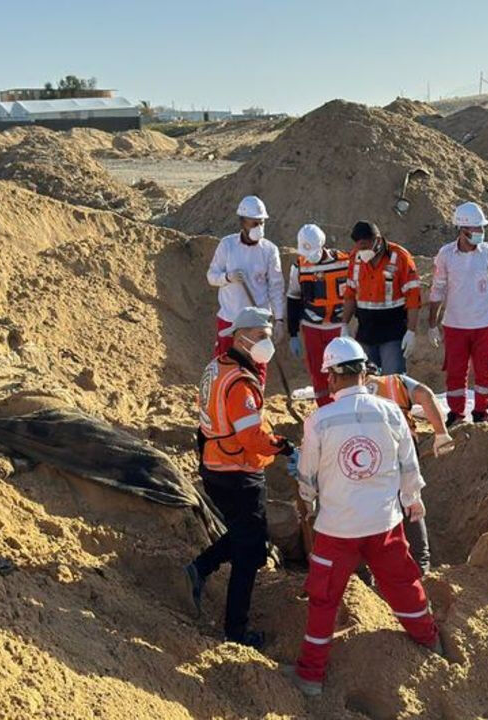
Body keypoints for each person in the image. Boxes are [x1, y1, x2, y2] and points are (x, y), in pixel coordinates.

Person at [283, 337, 442, 697]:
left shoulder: (319, 420)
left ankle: (310, 678)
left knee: (324, 600)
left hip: (337, 528)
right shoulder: (390, 412)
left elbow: (307, 478)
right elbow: (409, 466)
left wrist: (308, 502)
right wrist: (412, 499)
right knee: (404, 585)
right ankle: (430, 641)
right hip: (385, 523)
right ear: (364, 373)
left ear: (332, 377)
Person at [186, 307, 295, 649]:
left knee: (246, 536)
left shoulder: (217, 367)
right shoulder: (240, 383)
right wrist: (283, 446)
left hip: (215, 464)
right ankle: (236, 630)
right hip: (238, 472)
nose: (267, 343)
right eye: (261, 336)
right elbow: (250, 436)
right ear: (241, 337)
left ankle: (200, 568)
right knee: (250, 552)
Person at [427, 202, 488, 426]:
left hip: (486, 324)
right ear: (462, 229)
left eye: (481, 227)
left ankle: (481, 411)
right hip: (455, 325)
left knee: (486, 371)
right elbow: (437, 289)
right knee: (455, 372)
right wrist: (432, 324)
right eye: (476, 228)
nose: (480, 232)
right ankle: (456, 413)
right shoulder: (446, 255)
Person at [362, 368, 454, 574]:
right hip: (403, 446)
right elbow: (425, 394)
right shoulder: (395, 382)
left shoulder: (345, 388)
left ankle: (363, 570)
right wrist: (441, 433)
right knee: (410, 499)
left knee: (365, 505)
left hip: (366, 452)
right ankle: (420, 563)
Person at [206, 195, 285, 357]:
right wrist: (227, 278)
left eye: (261, 223)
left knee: (257, 364)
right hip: (230, 320)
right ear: (243, 222)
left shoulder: (270, 250)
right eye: (254, 223)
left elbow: (276, 287)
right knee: (226, 363)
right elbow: (211, 276)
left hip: (258, 322)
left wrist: (279, 320)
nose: (259, 227)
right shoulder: (227, 245)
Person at [342, 221, 422, 375]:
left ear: (377, 240)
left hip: (392, 331)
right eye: (359, 247)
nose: (362, 251)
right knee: (367, 379)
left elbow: (413, 297)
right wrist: (344, 324)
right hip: (365, 331)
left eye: (365, 246)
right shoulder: (355, 258)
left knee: (392, 379)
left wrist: (411, 331)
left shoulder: (400, 257)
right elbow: (350, 293)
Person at [286, 224, 350, 407]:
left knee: (341, 369)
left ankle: (343, 407)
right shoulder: (299, 266)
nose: (309, 257)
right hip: (312, 328)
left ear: (322, 245)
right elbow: (293, 298)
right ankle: (324, 407)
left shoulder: (344, 262)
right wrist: (293, 333)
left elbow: (356, 292)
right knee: (318, 371)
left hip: (338, 327)